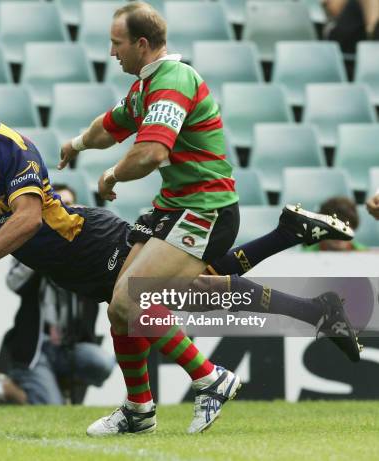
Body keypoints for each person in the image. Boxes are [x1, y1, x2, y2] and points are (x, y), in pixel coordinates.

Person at [0, 68, 359, 436]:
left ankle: (202, 382)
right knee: (203, 290)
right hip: (70, 265)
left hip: (93, 243)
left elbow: (29, 217)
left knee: (144, 304)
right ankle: (307, 295)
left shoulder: (11, 148)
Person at [57, 1, 361, 436]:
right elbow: (111, 125)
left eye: (116, 43)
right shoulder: (146, 87)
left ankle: (211, 378)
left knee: (134, 300)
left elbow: (153, 152)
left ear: (142, 44)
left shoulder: (173, 81)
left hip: (204, 209)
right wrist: (77, 143)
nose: (110, 52)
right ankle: (139, 409)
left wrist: (111, 174)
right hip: (174, 207)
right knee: (131, 307)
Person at [0, 185, 115, 406]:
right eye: (59, 203)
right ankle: (4, 389)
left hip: (69, 347)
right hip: (37, 347)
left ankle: (58, 382)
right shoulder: (28, 241)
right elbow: (13, 283)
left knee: (102, 363)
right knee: (51, 407)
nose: (65, 209)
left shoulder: (84, 248)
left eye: (70, 205)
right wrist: (43, 250)